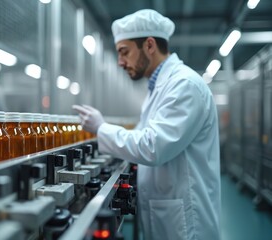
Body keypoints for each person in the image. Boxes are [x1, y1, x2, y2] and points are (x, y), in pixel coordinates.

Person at [73, 9, 221, 240]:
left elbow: (153, 146)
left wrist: (101, 128)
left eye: (125, 52)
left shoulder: (184, 85)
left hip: (186, 220)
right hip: (167, 211)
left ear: (149, 45)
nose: (120, 62)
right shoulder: (158, 88)